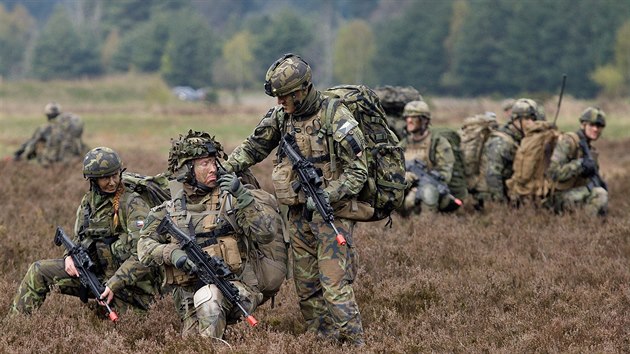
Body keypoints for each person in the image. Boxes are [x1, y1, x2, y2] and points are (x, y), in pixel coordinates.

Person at [223, 53, 367, 345]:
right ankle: (324, 343)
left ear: (303, 89)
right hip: (298, 217)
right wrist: (221, 169)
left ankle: (356, 345)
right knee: (307, 288)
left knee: (335, 286)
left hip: (331, 216)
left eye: (285, 96)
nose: (279, 102)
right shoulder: (281, 117)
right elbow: (253, 148)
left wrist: (328, 195)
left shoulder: (335, 116)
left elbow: (358, 172)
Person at [137, 130, 284, 339]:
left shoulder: (231, 201)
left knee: (210, 301)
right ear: (187, 169)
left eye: (214, 162)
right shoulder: (167, 210)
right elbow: (143, 247)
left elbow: (266, 233)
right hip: (189, 297)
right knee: (193, 342)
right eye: (204, 163)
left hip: (236, 289)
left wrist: (243, 196)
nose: (213, 168)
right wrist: (172, 254)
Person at [10, 147, 161, 316]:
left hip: (131, 289)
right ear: (93, 180)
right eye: (105, 178)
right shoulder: (88, 202)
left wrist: (114, 284)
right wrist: (69, 256)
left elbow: (144, 255)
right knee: (38, 271)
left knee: (123, 325)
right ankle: (13, 327)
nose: (112, 182)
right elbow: (79, 238)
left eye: (115, 175)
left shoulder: (133, 204)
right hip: (96, 276)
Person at [398, 100, 464, 216]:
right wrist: (404, 176)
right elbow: (392, 167)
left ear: (425, 120)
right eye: (407, 117)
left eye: (414, 117)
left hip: (432, 189)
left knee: (428, 191)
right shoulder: (403, 144)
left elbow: (445, 174)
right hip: (407, 186)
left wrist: (418, 184)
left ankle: (426, 226)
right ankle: (400, 223)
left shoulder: (438, 143)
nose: (409, 120)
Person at [475, 98, 541, 205]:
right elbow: (492, 175)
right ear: (516, 119)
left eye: (533, 119)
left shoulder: (521, 138)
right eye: (527, 119)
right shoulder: (501, 142)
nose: (531, 123)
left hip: (510, 191)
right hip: (490, 195)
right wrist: (501, 204)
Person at [548, 107, 608, 216]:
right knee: (600, 194)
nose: (595, 129)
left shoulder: (590, 150)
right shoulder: (568, 141)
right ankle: (585, 225)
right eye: (592, 125)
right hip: (557, 197)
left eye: (599, 126)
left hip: (574, 194)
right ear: (583, 125)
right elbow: (553, 172)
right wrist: (580, 164)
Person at [13, 102, 88, 166]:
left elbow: (32, 143)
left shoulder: (45, 128)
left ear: (47, 115)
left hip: (52, 161)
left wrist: (20, 155)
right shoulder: (68, 127)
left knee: (39, 144)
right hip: (73, 160)